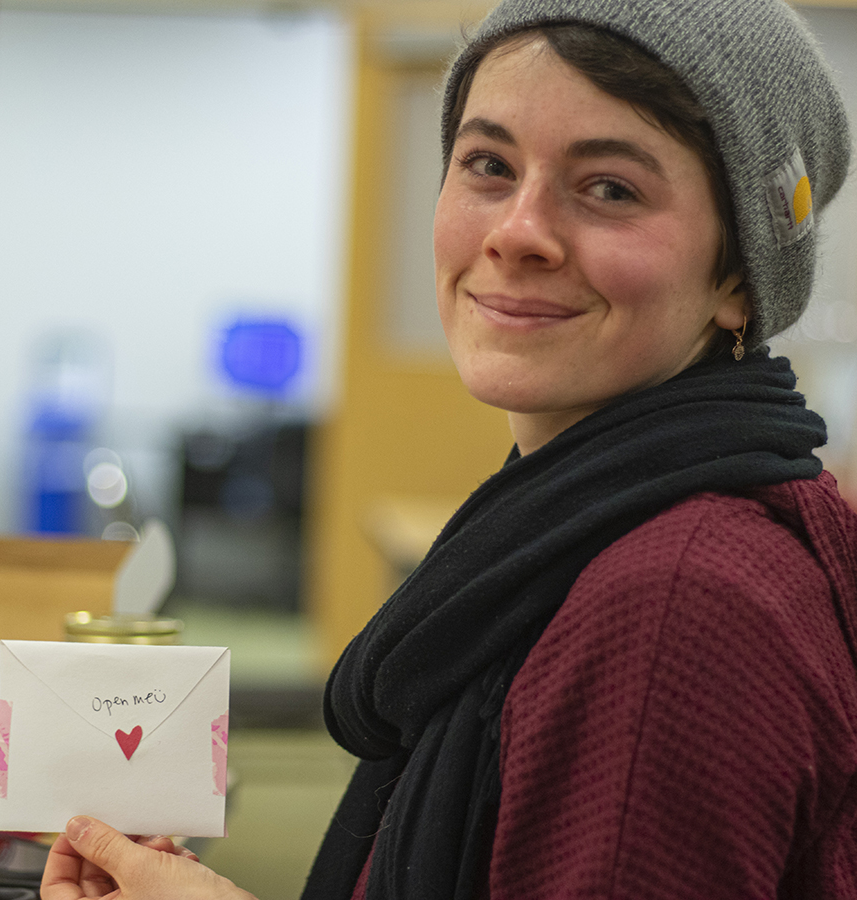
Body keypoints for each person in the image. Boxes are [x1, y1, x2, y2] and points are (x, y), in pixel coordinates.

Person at [41, 0, 857, 897]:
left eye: (611, 188)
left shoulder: (673, 605)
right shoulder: (582, 528)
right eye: (488, 166)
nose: (516, 231)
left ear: (739, 277)